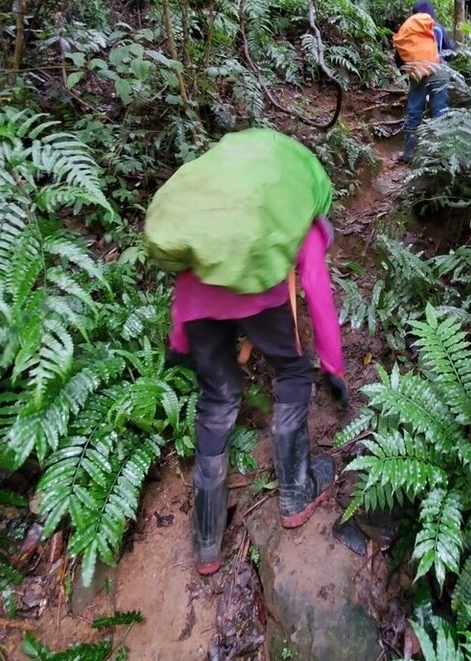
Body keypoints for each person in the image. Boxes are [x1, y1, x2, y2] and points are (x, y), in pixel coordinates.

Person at [147, 129, 347, 576]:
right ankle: (295, 492)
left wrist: (180, 343)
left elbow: (186, 280)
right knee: (293, 373)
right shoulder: (300, 212)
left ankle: (206, 542)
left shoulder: (215, 212)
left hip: (198, 304)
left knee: (217, 399)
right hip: (262, 296)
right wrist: (332, 366)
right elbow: (316, 291)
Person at [393, 0, 455, 163]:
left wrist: (410, 71)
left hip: (417, 74)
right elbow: (450, 52)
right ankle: (439, 153)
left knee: (414, 112)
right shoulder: (438, 28)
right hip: (439, 72)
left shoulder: (408, 30)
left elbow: (399, 58)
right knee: (440, 111)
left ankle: (408, 152)